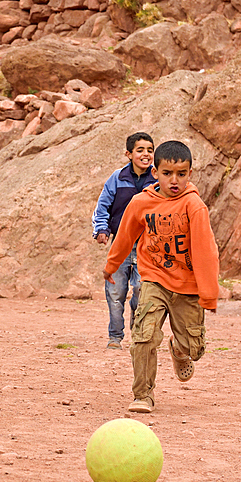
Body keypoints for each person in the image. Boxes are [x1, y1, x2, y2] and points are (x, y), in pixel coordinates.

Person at [103, 140, 220, 414]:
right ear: (155, 172)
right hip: (154, 280)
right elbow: (124, 237)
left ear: (190, 173)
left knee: (195, 349)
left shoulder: (194, 206)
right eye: (167, 173)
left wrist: (209, 293)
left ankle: (179, 349)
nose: (174, 180)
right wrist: (111, 266)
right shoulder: (141, 203)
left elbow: (206, 251)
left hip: (188, 287)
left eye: (181, 174)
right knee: (143, 337)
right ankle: (143, 395)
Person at [91, 132, 155, 349]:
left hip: (147, 247)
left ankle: (138, 333)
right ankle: (115, 337)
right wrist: (101, 229)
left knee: (141, 290)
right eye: (140, 150)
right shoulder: (117, 178)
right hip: (121, 244)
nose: (145, 154)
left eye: (149, 150)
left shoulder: (157, 180)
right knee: (116, 292)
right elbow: (103, 206)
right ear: (129, 154)